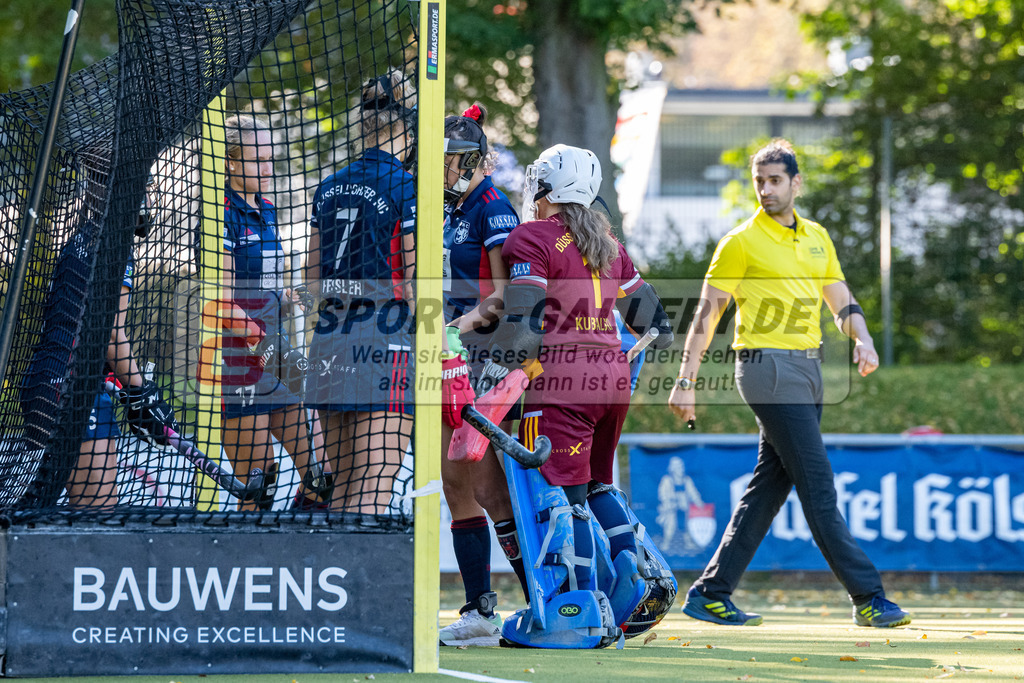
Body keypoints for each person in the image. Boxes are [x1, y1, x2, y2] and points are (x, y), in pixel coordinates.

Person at [667, 138, 911, 628]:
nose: (766, 190)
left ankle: (711, 593)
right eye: (759, 181)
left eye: (775, 180)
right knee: (818, 486)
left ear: (796, 183)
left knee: (769, 486)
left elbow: (841, 300)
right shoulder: (740, 241)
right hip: (765, 368)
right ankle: (870, 596)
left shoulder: (817, 236)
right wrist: (685, 380)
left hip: (809, 369)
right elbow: (706, 315)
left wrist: (861, 338)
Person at [482, 144, 673, 620]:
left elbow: (524, 321)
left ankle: (584, 606)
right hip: (611, 380)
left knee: (565, 499)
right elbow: (657, 326)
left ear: (543, 187)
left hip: (562, 383)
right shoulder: (609, 243)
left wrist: (494, 375)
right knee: (596, 485)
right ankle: (633, 571)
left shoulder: (532, 237)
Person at [437, 104, 528, 647]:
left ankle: (542, 599)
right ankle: (480, 611)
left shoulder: (493, 207)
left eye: (448, 160)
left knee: (493, 490)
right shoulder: (449, 207)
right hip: (448, 354)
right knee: (456, 484)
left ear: (469, 160)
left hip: (480, 358)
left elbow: (504, 296)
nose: (441, 170)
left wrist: (457, 326)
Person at [306, 70, 416, 515]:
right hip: (382, 338)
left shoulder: (329, 186)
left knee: (344, 485)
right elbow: (412, 284)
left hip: (330, 337)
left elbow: (311, 279)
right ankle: (357, 587)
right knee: (374, 483)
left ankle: (331, 580)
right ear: (407, 129)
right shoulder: (407, 187)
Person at [219, 113, 325, 511]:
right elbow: (221, 301)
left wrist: (290, 296)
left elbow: (262, 289)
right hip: (236, 364)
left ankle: (295, 549)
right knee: (260, 483)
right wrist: (264, 345)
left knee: (322, 472)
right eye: (256, 158)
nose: (267, 168)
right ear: (231, 161)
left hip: (274, 356)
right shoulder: (220, 214)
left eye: (270, 158)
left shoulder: (266, 209)